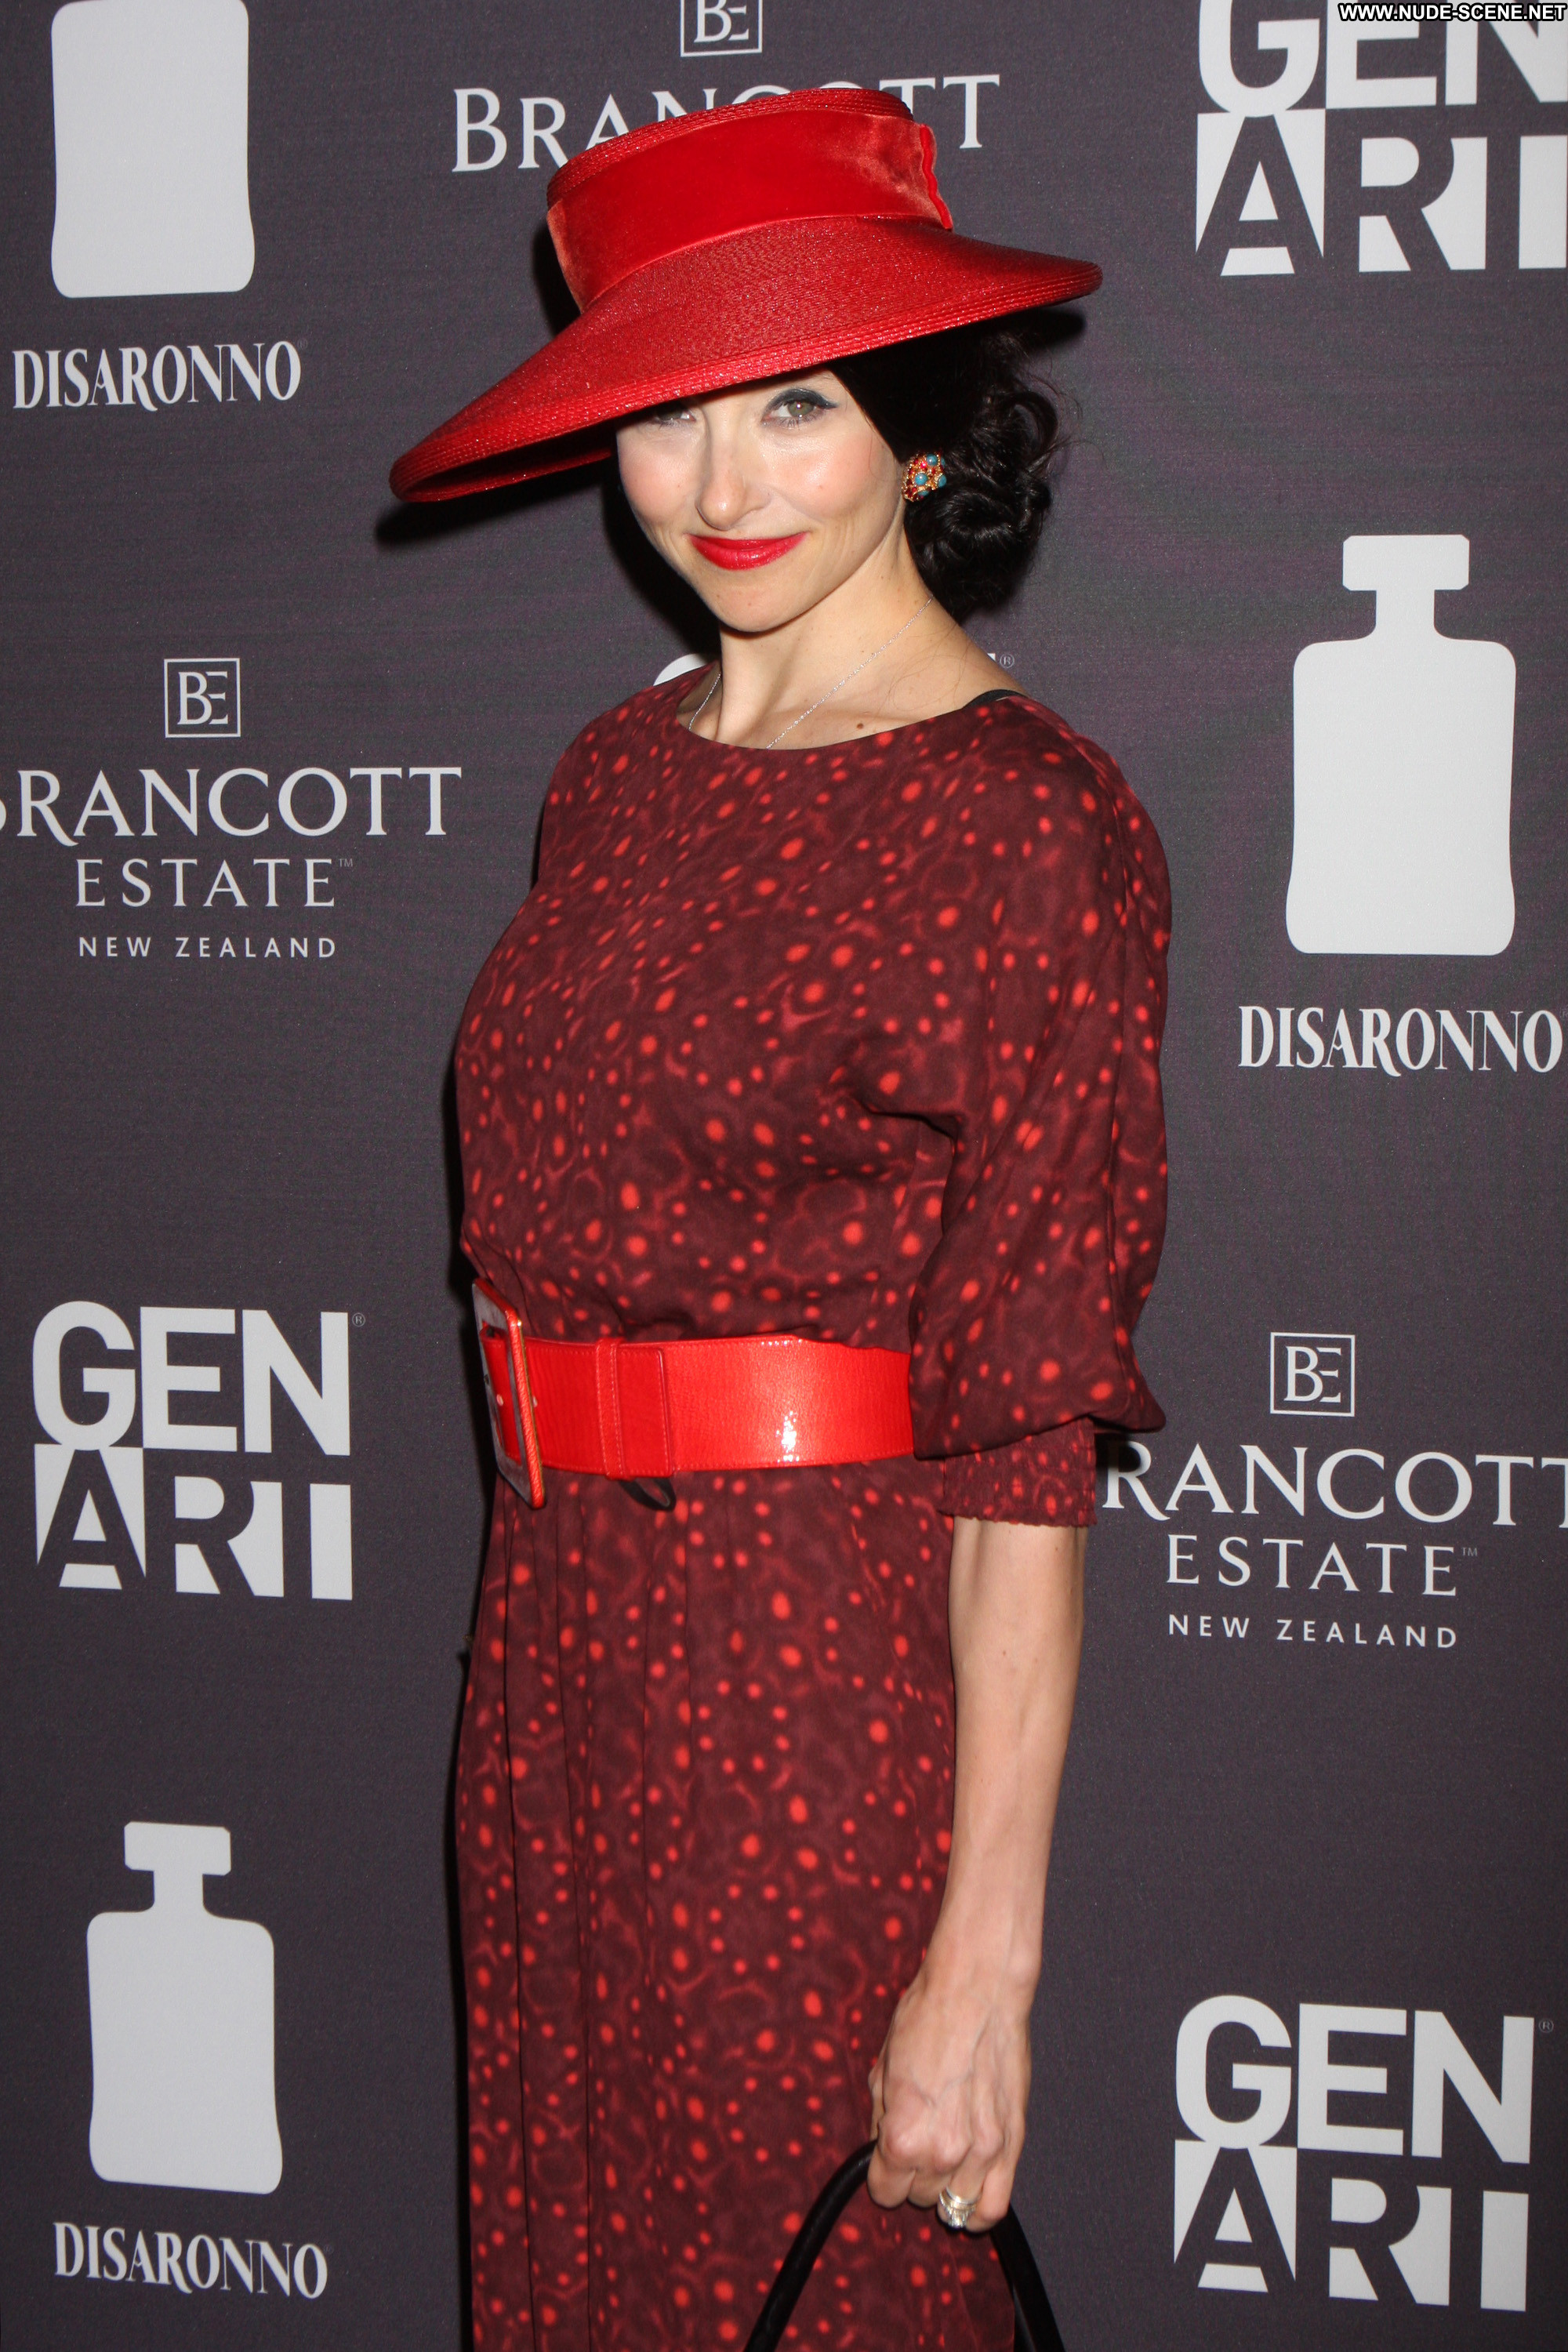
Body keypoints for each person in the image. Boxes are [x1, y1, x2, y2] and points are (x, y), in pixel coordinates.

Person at [393, 89, 1168, 2352]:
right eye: (664, 416)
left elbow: (1028, 1442)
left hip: (817, 1691)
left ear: (921, 437)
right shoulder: (613, 778)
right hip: (556, 1669)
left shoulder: (1034, 824)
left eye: (796, 407)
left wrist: (981, 1968)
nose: (718, 487)